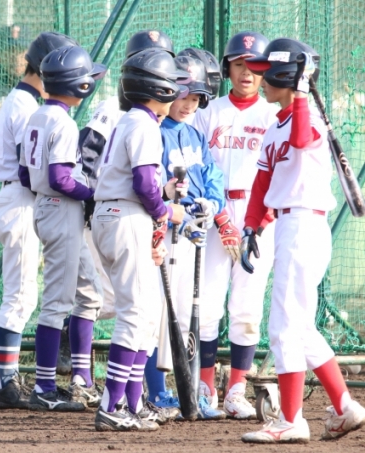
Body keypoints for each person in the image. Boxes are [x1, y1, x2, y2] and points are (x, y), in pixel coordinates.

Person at [240, 38, 365, 443]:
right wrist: (251, 226)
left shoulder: (307, 117)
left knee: (283, 326)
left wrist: (300, 94)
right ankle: (345, 406)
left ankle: (291, 420)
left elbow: (299, 140)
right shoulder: (275, 124)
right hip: (288, 226)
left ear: (285, 76)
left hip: (304, 226)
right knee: (301, 327)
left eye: (266, 73)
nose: (260, 79)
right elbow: (263, 182)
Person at [91, 48, 187, 431]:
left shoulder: (131, 120)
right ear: (159, 88)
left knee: (145, 313)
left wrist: (160, 201)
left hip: (116, 214)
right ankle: (112, 405)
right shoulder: (144, 124)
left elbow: (145, 183)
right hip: (125, 215)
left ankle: (132, 404)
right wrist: (165, 211)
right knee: (135, 313)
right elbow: (144, 184)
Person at [0, 31, 78, 411]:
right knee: (21, 295)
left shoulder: (24, 100)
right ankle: (6, 383)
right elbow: (33, 168)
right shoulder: (26, 105)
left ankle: (8, 380)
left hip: (22, 199)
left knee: (27, 294)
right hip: (22, 199)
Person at [192, 31, 278, 419]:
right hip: (214, 212)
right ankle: (205, 388)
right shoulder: (208, 111)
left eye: (255, 67)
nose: (246, 73)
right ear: (227, 68)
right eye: (239, 64)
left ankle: (237, 390)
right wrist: (220, 216)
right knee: (208, 302)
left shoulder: (272, 115)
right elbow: (197, 167)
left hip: (257, 216)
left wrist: (261, 219)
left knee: (247, 307)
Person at [18, 45, 106, 412]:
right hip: (60, 208)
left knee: (91, 294)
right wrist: (94, 194)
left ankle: (82, 380)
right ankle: (43, 387)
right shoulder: (64, 123)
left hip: (47, 207)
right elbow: (60, 179)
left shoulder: (37, 116)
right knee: (56, 304)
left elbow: (25, 174)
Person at [146, 52, 227, 421]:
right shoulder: (155, 132)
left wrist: (212, 202)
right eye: (183, 96)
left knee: (187, 312)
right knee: (159, 313)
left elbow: (212, 175)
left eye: (196, 98)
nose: (189, 104)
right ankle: (156, 391)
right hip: (166, 231)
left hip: (194, 231)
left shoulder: (194, 134)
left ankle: (189, 393)